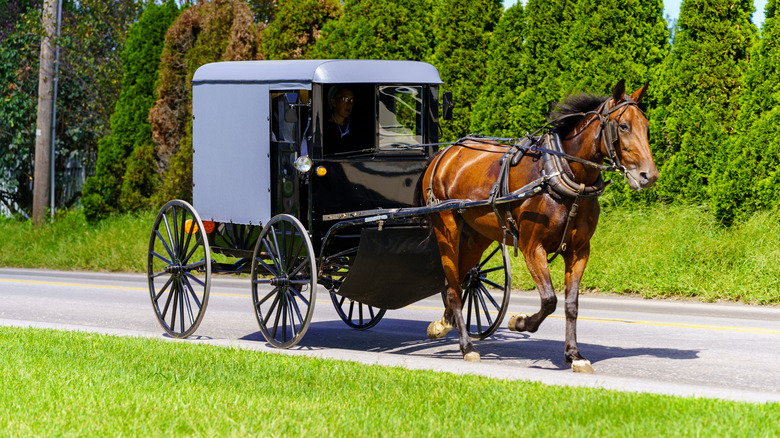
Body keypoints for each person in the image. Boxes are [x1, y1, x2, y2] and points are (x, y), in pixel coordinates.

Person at [324, 86, 360, 155]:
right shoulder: (323, 129)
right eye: (345, 99)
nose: (349, 103)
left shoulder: (356, 129)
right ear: (334, 102)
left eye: (351, 100)